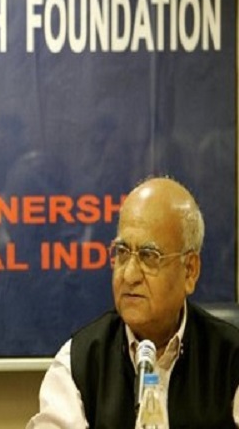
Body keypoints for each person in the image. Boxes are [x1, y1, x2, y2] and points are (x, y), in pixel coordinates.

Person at [26, 176, 239, 428]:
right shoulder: (79, 363)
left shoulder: (231, 358)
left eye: (149, 256)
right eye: (122, 252)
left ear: (190, 270)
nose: (129, 275)